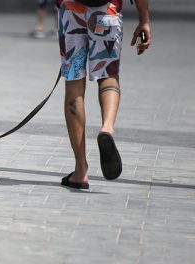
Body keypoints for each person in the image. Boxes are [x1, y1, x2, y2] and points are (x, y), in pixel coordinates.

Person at [57, 0, 152, 189]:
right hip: (107, 9)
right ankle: (107, 128)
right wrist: (144, 20)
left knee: (74, 83)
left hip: (70, 10)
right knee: (108, 76)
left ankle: (80, 170)